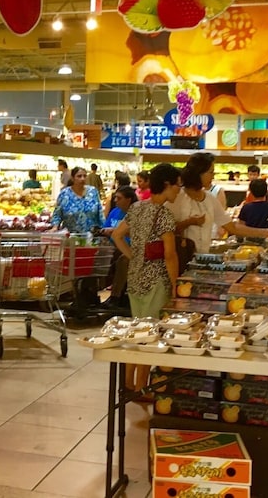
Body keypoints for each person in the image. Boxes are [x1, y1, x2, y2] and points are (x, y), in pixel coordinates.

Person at [111, 163, 181, 397]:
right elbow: (169, 255)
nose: (179, 190)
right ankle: (142, 388)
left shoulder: (138, 207)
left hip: (135, 278)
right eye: (177, 185)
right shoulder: (164, 215)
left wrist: (134, 256)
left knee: (138, 331)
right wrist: (175, 284)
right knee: (150, 334)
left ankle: (129, 384)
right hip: (156, 280)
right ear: (168, 185)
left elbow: (117, 235)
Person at [171, 152, 268, 253]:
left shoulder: (209, 198)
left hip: (201, 259)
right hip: (180, 259)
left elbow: (232, 227)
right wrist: (189, 222)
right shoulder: (177, 197)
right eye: (210, 172)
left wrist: (264, 232)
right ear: (198, 173)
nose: (213, 176)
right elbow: (164, 228)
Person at [100, 185, 138, 310]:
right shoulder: (114, 212)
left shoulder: (136, 213)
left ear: (128, 199)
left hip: (129, 248)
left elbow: (138, 233)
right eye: (115, 198)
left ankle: (115, 296)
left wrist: (116, 231)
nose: (115, 201)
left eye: (119, 198)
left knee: (122, 260)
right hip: (112, 246)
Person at [51, 167, 103, 234]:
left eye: (84, 176)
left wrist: (103, 229)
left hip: (92, 236)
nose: (82, 179)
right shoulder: (64, 194)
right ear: (72, 178)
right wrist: (55, 227)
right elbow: (57, 214)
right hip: (71, 237)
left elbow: (100, 212)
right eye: (79, 176)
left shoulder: (93, 192)